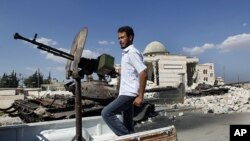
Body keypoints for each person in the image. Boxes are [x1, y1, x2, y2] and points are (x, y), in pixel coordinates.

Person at [101, 26, 148, 136]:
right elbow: (131, 73)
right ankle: (130, 136)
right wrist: (116, 72)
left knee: (106, 113)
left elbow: (143, 73)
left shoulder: (132, 52)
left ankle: (128, 139)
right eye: (118, 38)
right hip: (126, 92)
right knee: (128, 126)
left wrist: (140, 96)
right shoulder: (127, 54)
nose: (120, 40)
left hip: (129, 93)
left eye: (122, 37)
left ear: (130, 37)